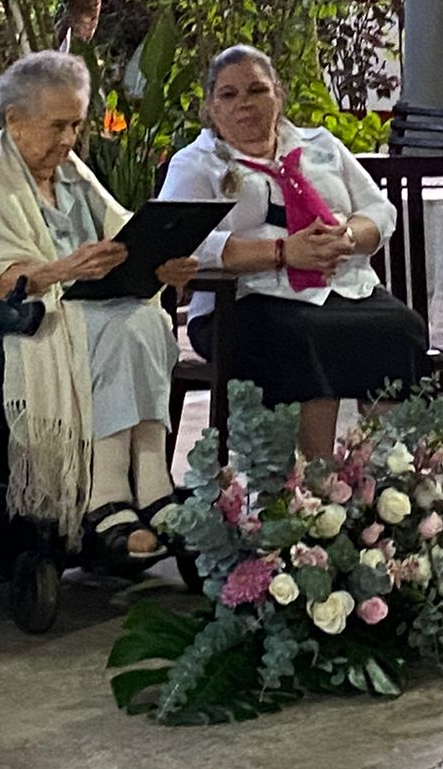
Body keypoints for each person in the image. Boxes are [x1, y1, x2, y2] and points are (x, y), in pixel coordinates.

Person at [0, 51, 198, 561]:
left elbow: (122, 230)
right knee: (126, 326)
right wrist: (61, 269)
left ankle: (152, 485)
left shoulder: (70, 170)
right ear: (14, 120)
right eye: (57, 126)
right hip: (21, 316)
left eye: (76, 125)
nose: (69, 139)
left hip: (87, 305)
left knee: (147, 319)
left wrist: (161, 262)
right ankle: (107, 496)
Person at [158, 45, 429, 460]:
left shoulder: (320, 145)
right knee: (304, 336)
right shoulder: (197, 163)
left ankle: (388, 473)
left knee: (401, 328)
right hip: (245, 300)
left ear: (278, 95)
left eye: (257, 90)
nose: (244, 103)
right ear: (211, 107)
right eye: (229, 94)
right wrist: (283, 252)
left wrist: (346, 237)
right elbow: (183, 239)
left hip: (342, 286)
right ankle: (316, 483)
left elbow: (379, 211)